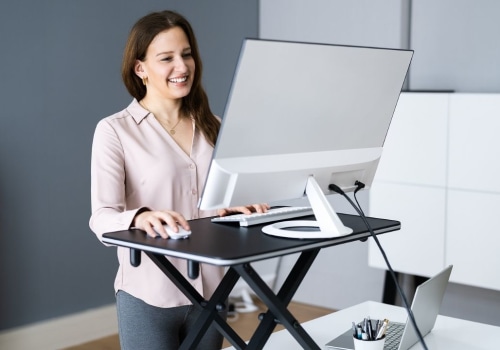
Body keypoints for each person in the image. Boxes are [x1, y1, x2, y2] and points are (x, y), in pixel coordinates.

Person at [89, 10, 268, 349]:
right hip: (148, 295)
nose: (182, 67)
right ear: (140, 68)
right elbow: (101, 218)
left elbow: (211, 206)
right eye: (167, 58)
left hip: (212, 292)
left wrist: (233, 209)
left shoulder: (214, 125)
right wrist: (140, 217)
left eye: (186, 54)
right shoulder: (115, 131)